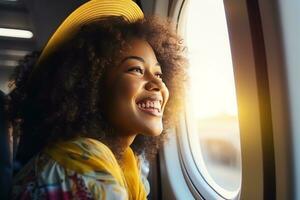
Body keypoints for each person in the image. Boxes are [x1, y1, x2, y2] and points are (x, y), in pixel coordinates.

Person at [8, 0, 187, 199]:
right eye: (136, 69)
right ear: (87, 84)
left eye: (159, 75)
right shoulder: (80, 161)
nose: (157, 84)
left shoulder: (127, 164)